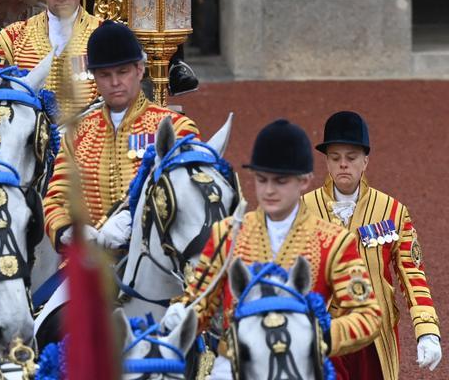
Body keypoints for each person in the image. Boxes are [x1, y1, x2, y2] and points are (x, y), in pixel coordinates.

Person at [162, 119, 383, 379]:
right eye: (261, 179)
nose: (268, 190)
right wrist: (184, 314)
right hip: (235, 366)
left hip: (300, 366)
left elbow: (369, 315)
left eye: (280, 181)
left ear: (304, 181)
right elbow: (200, 303)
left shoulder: (333, 241)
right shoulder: (226, 234)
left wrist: (317, 335)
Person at [303, 110, 441, 378]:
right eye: (335, 158)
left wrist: (427, 331)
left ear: (365, 161)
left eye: (351, 158)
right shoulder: (302, 210)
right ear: (327, 163)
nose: (343, 164)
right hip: (322, 333)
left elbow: (412, 275)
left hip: (374, 338)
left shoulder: (393, 211)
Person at [41, 20, 200, 253]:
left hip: (157, 259)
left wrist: (135, 218)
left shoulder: (176, 127)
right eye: (105, 75)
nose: (115, 82)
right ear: (94, 77)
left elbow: (192, 196)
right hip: (92, 262)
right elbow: (54, 199)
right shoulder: (76, 133)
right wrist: (67, 230)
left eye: (123, 72)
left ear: (139, 69)